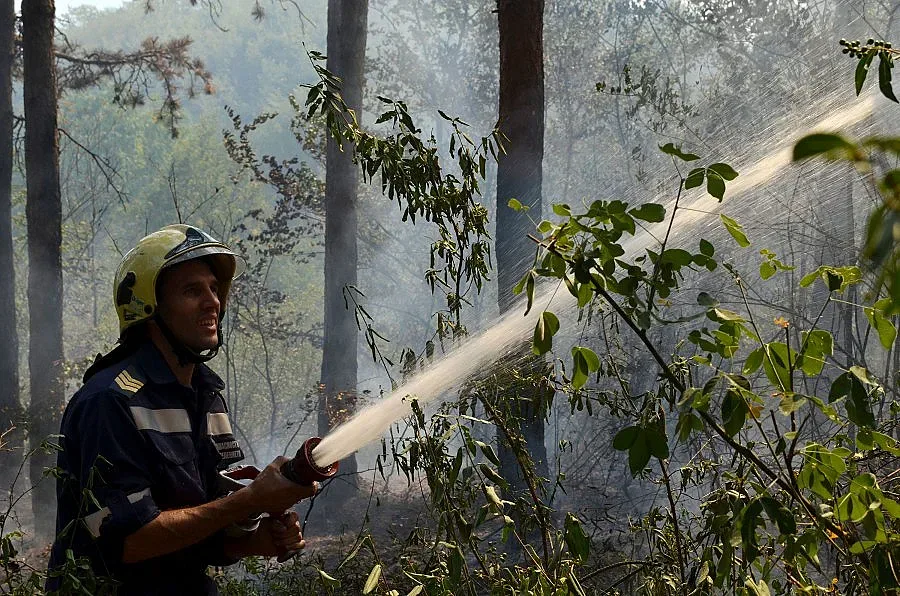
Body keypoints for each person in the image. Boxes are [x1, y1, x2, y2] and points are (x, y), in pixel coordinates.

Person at [47, 225, 316, 595]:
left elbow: (204, 531)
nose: (213, 302)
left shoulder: (206, 395)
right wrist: (250, 499)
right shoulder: (110, 402)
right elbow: (128, 541)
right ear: (149, 309)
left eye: (214, 288)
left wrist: (254, 540)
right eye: (192, 291)